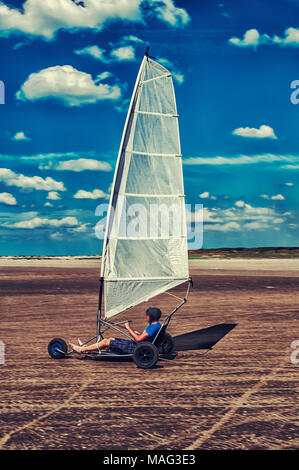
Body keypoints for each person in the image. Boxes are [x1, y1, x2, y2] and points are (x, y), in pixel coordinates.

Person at [69, 307, 162, 355]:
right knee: (111, 339)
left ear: (149, 317)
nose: (146, 316)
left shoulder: (153, 327)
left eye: (147, 315)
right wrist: (139, 333)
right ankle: (88, 348)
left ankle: (81, 349)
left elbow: (138, 339)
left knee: (106, 341)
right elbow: (145, 337)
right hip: (139, 345)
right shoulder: (157, 325)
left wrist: (129, 328)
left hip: (136, 347)